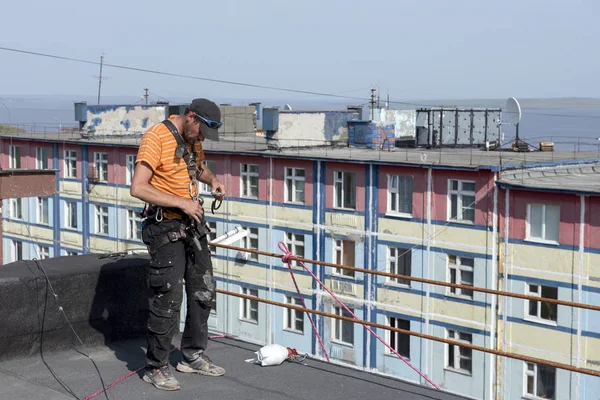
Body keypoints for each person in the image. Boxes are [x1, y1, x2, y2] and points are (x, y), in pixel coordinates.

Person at [130, 98, 226, 391]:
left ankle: (192, 355)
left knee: (203, 291)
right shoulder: (156, 137)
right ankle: (155, 367)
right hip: (165, 226)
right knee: (168, 298)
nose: (201, 138)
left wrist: (213, 179)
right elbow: (138, 187)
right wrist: (182, 202)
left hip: (192, 224)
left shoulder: (192, 138)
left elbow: (195, 168)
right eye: (201, 131)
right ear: (191, 117)